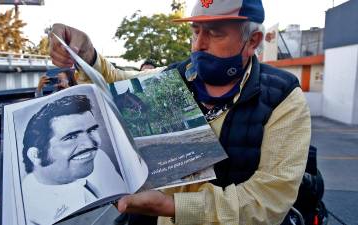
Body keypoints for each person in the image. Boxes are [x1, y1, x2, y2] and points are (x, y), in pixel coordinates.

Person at [49, 0, 311, 224]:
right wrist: (88, 56)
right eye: (195, 31)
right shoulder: (174, 78)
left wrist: (173, 207)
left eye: (215, 33)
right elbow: (120, 84)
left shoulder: (281, 98)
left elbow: (268, 201)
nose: (198, 45)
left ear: (252, 40)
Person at [21, 95, 127, 225]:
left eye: (91, 130)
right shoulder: (27, 213)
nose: (90, 145)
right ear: (36, 155)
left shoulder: (99, 158)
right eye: (71, 137)